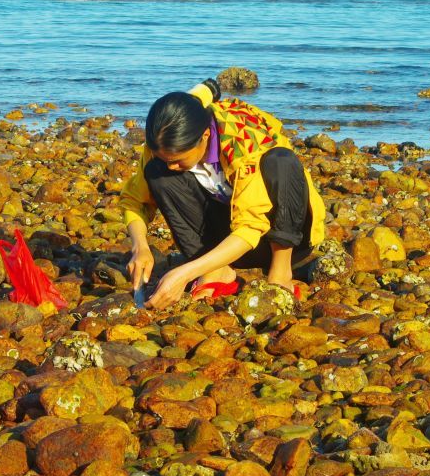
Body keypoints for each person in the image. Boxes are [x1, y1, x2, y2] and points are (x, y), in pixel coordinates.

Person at [119, 78, 325, 309]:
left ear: (205, 136)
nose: (171, 167)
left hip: (280, 236)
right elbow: (134, 200)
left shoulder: (245, 145)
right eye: (166, 158)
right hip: (226, 241)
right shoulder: (163, 143)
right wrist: (140, 247)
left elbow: (250, 226)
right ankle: (216, 271)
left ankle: (281, 272)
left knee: (281, 161)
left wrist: (186, 273)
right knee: (155, 171)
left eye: (177, 161)